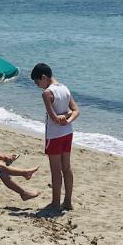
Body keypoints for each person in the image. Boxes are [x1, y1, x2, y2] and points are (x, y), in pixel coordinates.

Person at [32, 63, 78, 212]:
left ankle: (56, 202)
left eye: (37, 82)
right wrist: (68, 119)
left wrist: (63, 118)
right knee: (67, 167)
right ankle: (68, 201)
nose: (38, 85)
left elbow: (53, 118)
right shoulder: (65, 88)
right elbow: (76, 110)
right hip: (68, 132)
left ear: (44, 77)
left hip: (54, 135)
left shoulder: (47, 93)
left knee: (55, 170)